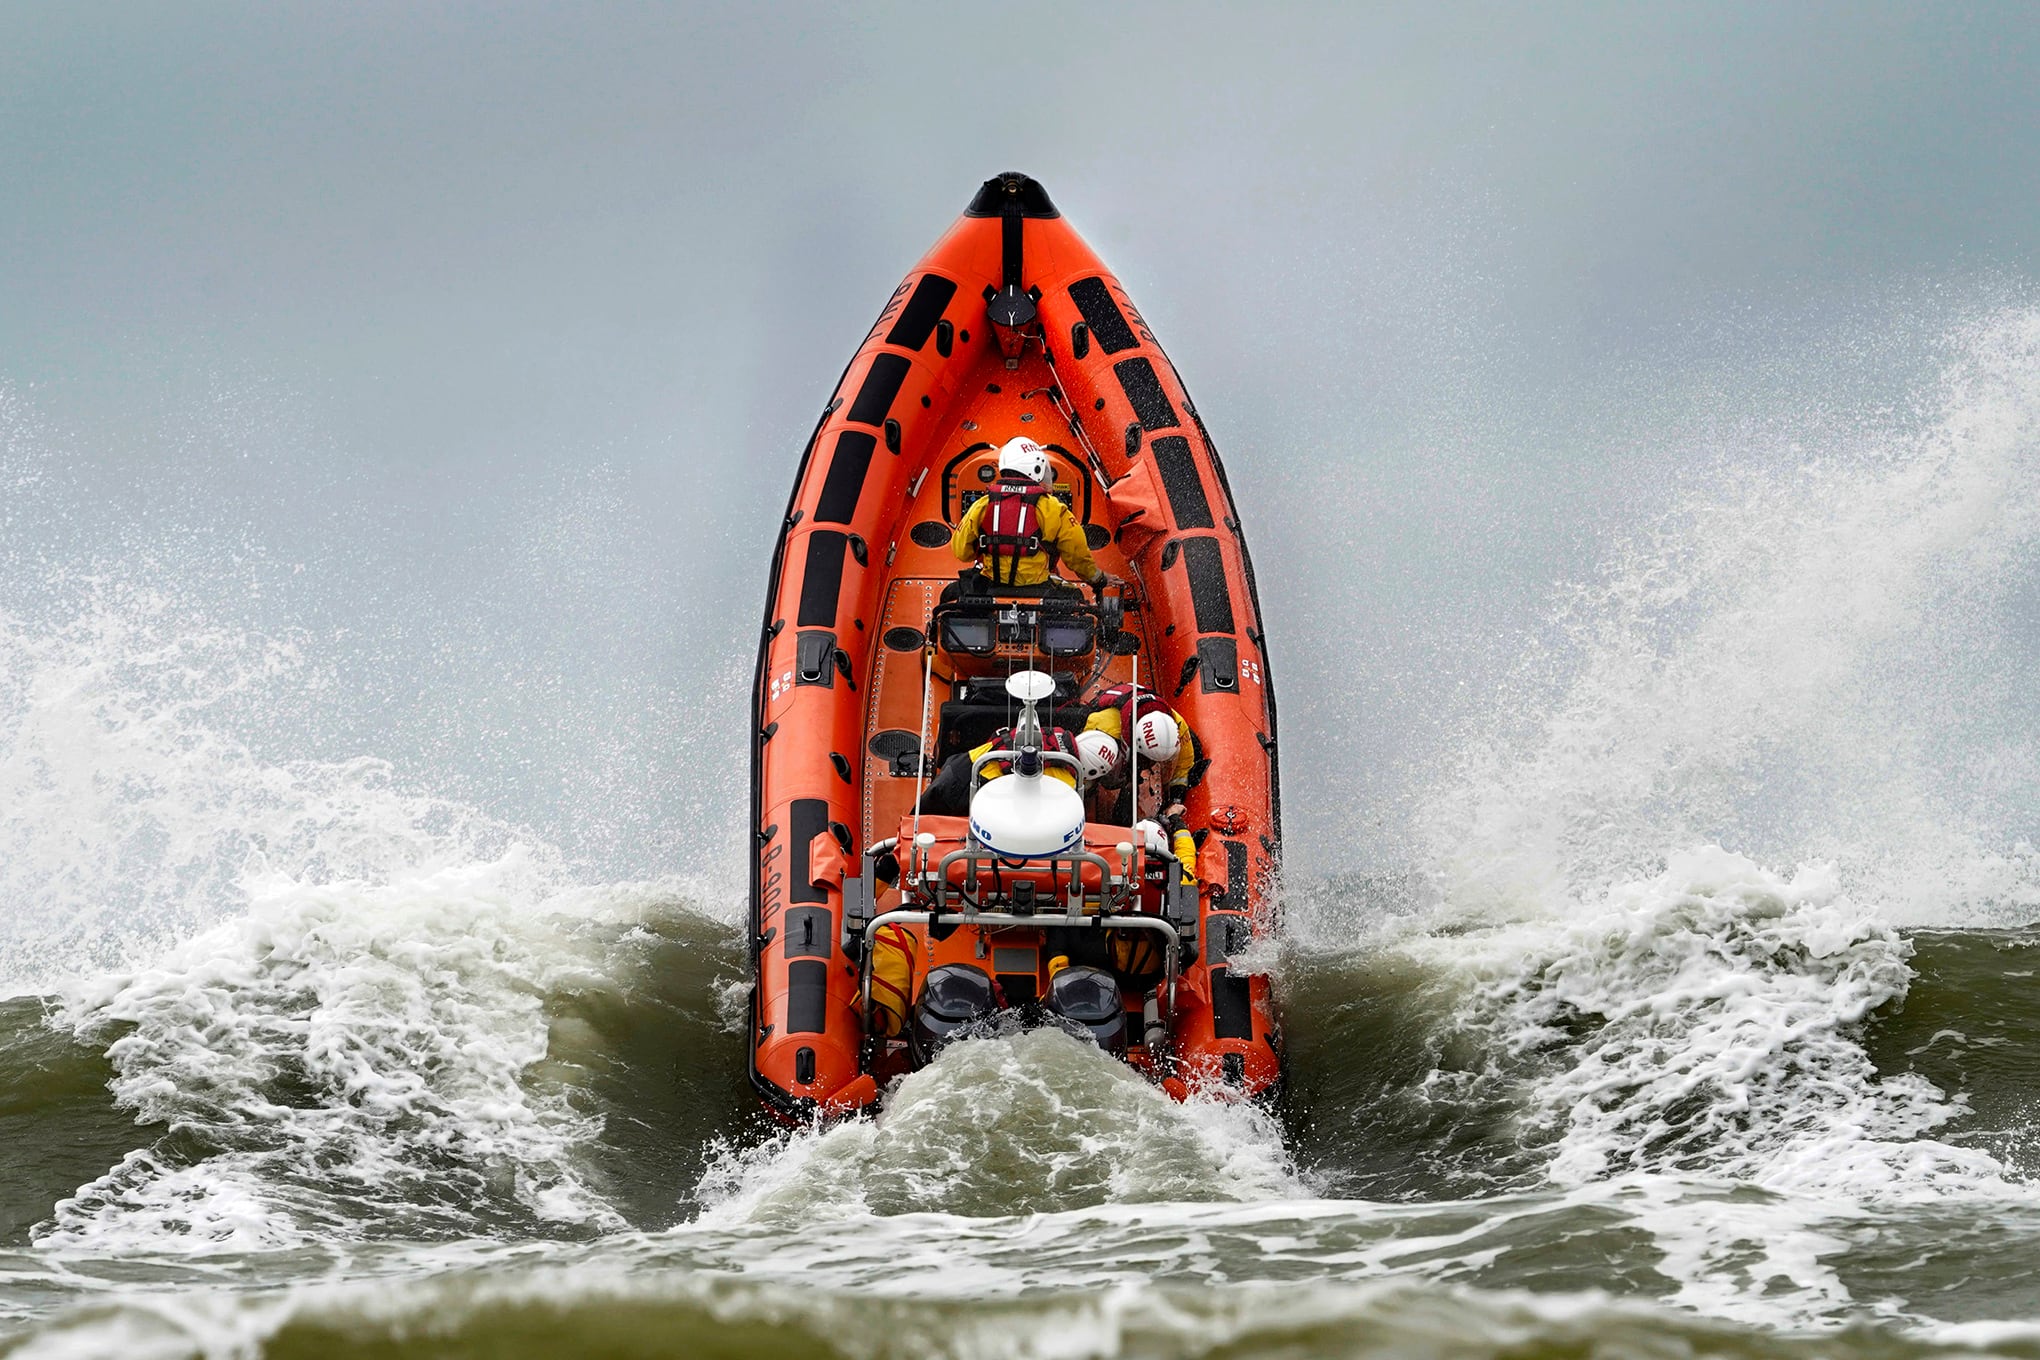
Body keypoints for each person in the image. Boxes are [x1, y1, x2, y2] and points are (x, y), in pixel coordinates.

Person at [950, 437, 1120, 595]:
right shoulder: (1054, 508)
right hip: (1038, 590)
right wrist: (1098, 579)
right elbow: (1077, 555)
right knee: (1075, 596)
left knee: (950, 594)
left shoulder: (982, 505)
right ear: (1036, 468)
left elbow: (961, 551)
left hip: (989, 589)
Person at [915, 724, 1123, 817]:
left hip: (960, 765)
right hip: (972, 791)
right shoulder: (1067, 783)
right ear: (1093, 771)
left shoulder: (1050, 735)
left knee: (915, 825)